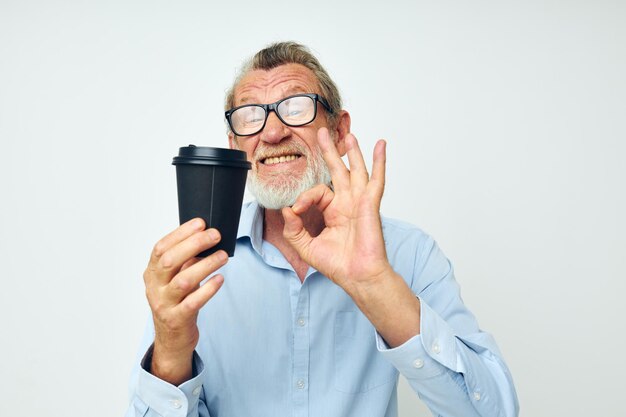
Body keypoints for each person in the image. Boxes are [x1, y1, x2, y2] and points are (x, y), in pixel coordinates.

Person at [126, 41, 519, 417]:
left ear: (338, 128)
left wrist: (376, 286)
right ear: (235, 146)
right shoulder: (196, 267)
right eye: (250, 116)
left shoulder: (410, 253)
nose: (272, 132)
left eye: (295, 108)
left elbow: (495, 411)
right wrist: (172, 350)